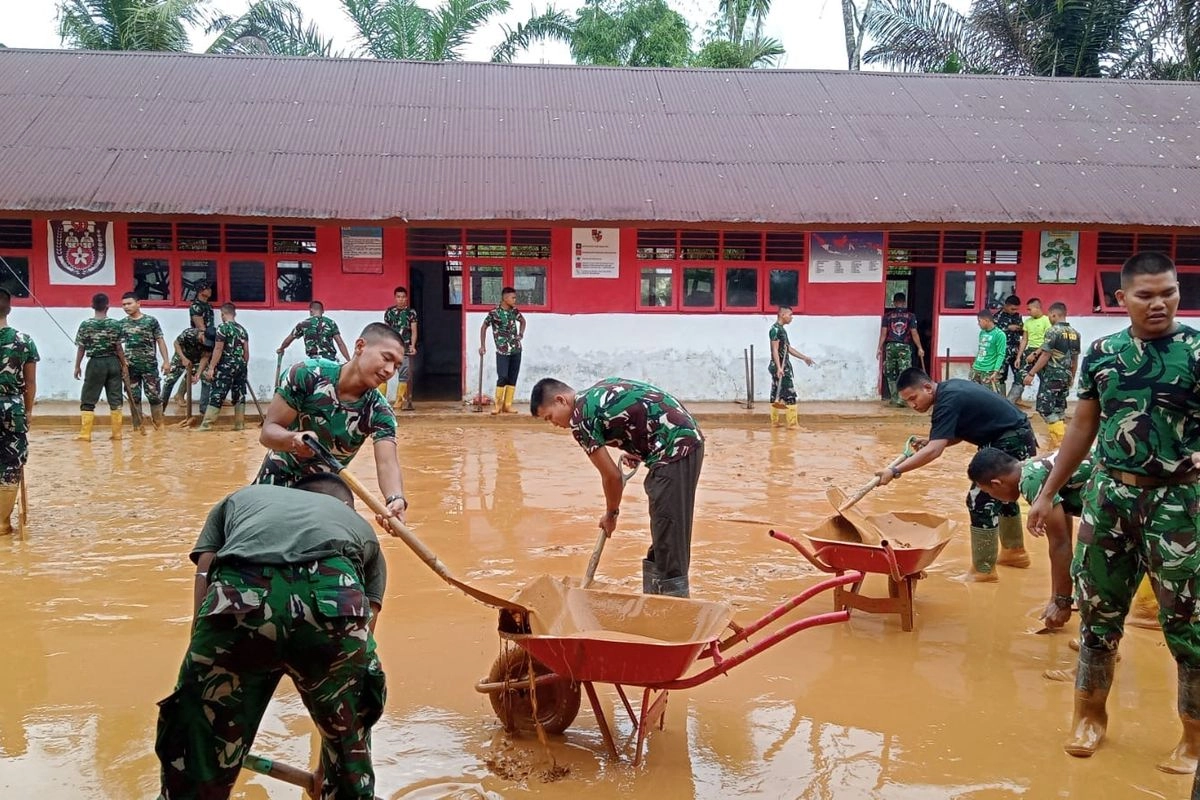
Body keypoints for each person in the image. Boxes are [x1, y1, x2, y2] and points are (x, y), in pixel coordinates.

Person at [1027, 252, 1200, 771]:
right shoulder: (1103, 353)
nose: (1159, 304)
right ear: (1122, 300)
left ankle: (1192, 737)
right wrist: (1047, 492)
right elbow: (1082, 427)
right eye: (1145, 295)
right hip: (1110, 500)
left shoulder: (1196, 351)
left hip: (1179, 503)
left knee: (1188, 624)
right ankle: (1089, 716)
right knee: (1098, 613)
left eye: (1168, 292)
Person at [154, 475, 388, 799]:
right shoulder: (360, 528)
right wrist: (333, 756)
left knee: (198, 746)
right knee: (349, 744)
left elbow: (205, 570)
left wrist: (202, 654)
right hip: (335, 594)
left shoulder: (244, 498)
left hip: (241, 593)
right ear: (345, 505)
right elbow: (361, 641)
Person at [530, 376, 704, 597]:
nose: (554, 424)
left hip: (677, 449)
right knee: (665, 532)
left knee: (670, 537)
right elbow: (638, 410)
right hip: (679, 443)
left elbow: (611, 477)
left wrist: (611, 513)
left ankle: (673, 614)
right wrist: (639, 446)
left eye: (549, 417)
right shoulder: (594, 394)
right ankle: (656, 602)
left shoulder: (580, 420)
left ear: (561, 400)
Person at [873, 368, 1037, 581]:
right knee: (1002, 494)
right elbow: (957, 434)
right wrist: (933, 441)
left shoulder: (946, 402)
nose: (912, 405)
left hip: (1009, 439)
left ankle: (983, 571)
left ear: (928, 387)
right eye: (907, 402)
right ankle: (1015, 553)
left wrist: (894, 471)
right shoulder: (950, 391)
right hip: (1014, 435)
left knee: (979, 500)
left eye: (913, 398)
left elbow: (934, 451)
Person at [256, 323, 408, 523]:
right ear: (360, 346)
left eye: (396, 366)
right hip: (275, 480)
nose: (390, 371)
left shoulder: (380, 412)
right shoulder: (306, 375)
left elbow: (387, 462)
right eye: (387, 358)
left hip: (326, 491)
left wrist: (395, 499)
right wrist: (294, 439)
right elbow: (267, 433)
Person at [969, 447, 1092, 630]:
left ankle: (1102, 644)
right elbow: (1064, 535)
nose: (992, 497)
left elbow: (1059, 544)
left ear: (996, 483)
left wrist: (1062, 603)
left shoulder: (1031, 482)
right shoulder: (1032, 468)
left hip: (1122, 494)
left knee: (1095, 564)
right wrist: (1055, 597)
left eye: (988, 492)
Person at [0, 289, 36, 536]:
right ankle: (2, 523)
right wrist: (29, 412)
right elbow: (30, 383)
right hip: (12, 409)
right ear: (9, 309)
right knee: (11, 466)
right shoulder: (24, 340)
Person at [1022, 301, 1081, 449]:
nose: (1048, 318)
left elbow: (1045, 355)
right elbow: (1075, 359)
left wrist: (1031, 373)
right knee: (1058, 409)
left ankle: (1061, 443)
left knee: (1044, 408)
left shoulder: (1053, 331)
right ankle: (1059, 443)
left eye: (1049, 315)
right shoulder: (1075, 333)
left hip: (1052, 376)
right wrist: (1072, 377)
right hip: (1066, 377)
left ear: (1054, 315)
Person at [72, 292, 126, 441]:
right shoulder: (116, 324)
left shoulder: (86, 325)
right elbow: (119, 348)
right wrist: (124, 365)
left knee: (88, 398)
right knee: (115, 398)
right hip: (113, 362)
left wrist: (77, 366)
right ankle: (117, 433)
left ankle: (85, 434)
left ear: (92, 306)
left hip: (95, 363)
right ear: (108, 306)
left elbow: (81, 348)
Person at [120, 291, 169, 431]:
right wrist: (122, 362)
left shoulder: (150, 321)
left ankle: (159, 426)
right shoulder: (122, 324)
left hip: (149, 366)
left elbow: (160, 340)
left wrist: (166, 361)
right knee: (133, 398)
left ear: (138, 304)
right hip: (130, 367)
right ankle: (138, 427)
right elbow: (117, 345)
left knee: (154, 396)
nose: (126, 307)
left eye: (129, 304)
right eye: (123, 305)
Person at [199, 303, 249, 432]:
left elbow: (218, 348)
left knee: (217, 393)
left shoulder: (222, 328)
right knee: (239, 394)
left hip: (226, 365)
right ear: (234, 313)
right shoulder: (242, 329)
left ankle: (206, 425)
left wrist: (211, 367)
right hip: (241, 365)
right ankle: (239, 425)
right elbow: (246, 352)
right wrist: (243, 366)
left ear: (222, 314)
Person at [479, 286, 526, 415]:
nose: (515, 300)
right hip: (502, 350)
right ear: (505, 298)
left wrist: (521, 334)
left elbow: (523, 321)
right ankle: (498, 405)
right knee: (503, 376)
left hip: (516, 349)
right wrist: (482, 345)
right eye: (513, 297)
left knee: (512, 377)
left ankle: (508, 405)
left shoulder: (514, 311)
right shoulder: (494, 313)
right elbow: (484, 327)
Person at [768, 306, 816, 428]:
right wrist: (779, 368)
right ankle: (792, 424)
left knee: (775, 393)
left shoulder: (782, 330)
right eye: (790, 315)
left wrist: (804, 357)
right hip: (780, 367)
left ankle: (775, 422)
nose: (791, 317)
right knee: (790, 393)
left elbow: (787, 348)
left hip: (781, 366)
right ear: (782, 315)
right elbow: (775, 350)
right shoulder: (775, 330)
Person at [877, 292, 924, 407]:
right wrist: (920, 348)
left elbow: (883, 333)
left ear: (894, 302)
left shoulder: (887, 316)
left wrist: (879, 348)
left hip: (890, 347)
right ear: (904, 302)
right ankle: (903, 399)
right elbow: (914, 333)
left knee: (890, 373)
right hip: (904, 347)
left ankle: (894, 398)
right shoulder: (911, 316)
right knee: (905, 374)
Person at [160, 326, 213, 414]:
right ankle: (160, 410)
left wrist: (198, 373)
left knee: (207, 378)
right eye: (205, 340)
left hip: (197, 360)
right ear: (202, 334)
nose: (206, 343)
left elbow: (205, 357)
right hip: (181, 356)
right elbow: (176, 344)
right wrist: (183, 358)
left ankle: (204, 409)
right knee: (170, 380)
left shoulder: (212, 342)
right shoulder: (190, 333)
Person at [277, 300, 350, 362]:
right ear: (323, 311)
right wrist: (349, 360)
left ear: (311, 311)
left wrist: (281, 349)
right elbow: (340, 343)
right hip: (330, 359)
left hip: (313, 359)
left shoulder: (303, 324)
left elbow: (288, 341)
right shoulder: (331, 323)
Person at [382, 286, 418, 411]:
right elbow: (386, 331)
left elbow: (414, 330)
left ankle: (399, 401)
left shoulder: (411, 313)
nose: (401, 299)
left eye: (403, 297)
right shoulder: (389, 312)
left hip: (405, 347)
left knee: (403, 374)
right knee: (384, 373)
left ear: (406, 298)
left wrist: (413, 345)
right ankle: (381, 400)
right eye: (398, 297)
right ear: (395, 298)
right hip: (391, 347)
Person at [1010, 297, 1052, 404]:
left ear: (1037, 308)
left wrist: (1035, 353)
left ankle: (1044, 407)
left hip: (1043, 353)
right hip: (1029, 353)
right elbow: (1024, 340)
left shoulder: (1047, 321)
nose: (1028, 312)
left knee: (1046, 381)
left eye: (1030, 309)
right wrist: (1019, 357)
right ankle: (1009, 404)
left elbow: (1048, 341)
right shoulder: (1028, 322)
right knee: (1020, 378)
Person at [993, 295, 1024, 396]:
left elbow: (1023, 333)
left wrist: (1019, 329)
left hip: (1015, 350)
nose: (1014, 311)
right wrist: (1008, 328)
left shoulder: (1017, 316)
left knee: (1020, 374)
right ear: (1006, 305)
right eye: (1012, 309)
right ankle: (1002, 399)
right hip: (1002, 350)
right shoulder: (997, 317)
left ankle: (1016, 399)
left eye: (1016, 309)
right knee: (1000, 376)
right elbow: (993, 332)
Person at [970, 309, 1007, 393]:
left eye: (979, 321)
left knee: (990, 398)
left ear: (987, 320)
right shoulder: (982, 332)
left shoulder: (1000, 335)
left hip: (988, 371)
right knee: (972, 396)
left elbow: (1001, 354)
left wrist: (995, 371)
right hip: (976, 369)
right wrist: (974, 365)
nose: (978, 324)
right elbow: (981, 349)